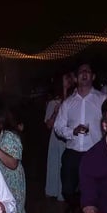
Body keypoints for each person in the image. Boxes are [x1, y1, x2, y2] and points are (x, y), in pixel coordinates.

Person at [54, 62, 107, 213]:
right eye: (81, 72)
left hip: (95, 152)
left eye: (88, 71)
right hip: (73, 151)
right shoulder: (68, 103)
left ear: (93, 76)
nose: (84, 74)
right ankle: (73, 203)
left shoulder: (102, 99)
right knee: (67, 188)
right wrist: (72, 131)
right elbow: (58, 127)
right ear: (76, 78)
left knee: (96, 188)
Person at [44, 72, 75, 201]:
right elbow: (48, 125)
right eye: (65, 80)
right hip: (56, 138)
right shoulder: (53, 103)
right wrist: (55, 113)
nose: (67, 82)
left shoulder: (75, 101)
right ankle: (54, 191)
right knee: (56, 163)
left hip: (71, 138)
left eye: (69, 80)